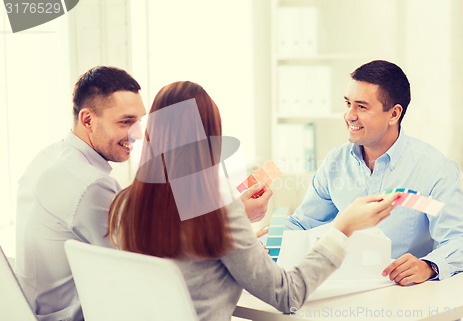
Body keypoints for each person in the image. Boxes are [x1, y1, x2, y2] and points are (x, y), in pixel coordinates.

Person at [108, 80, 399, 321]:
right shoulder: (218, 218)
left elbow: (185, 246)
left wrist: (237, 214)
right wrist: (342, 229)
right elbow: (288, 295)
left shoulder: (124, 205)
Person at [15, 66, 271, 321]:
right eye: (126, 122)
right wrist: (228, 228)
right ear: (87, 120)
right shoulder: (91, 185)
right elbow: (153, 266)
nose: (138, 134)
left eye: (140, 120)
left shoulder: (48, 158)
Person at [285, 60, 463, 285]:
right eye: (348, 103)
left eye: (361, 107)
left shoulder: (434, 169)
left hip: (406, 297)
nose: (349, 115)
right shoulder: (335, 163)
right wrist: (263, 242)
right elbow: (304, 223)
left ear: (394, 114)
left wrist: (428, 265)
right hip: (346, 289)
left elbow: (461, 242)